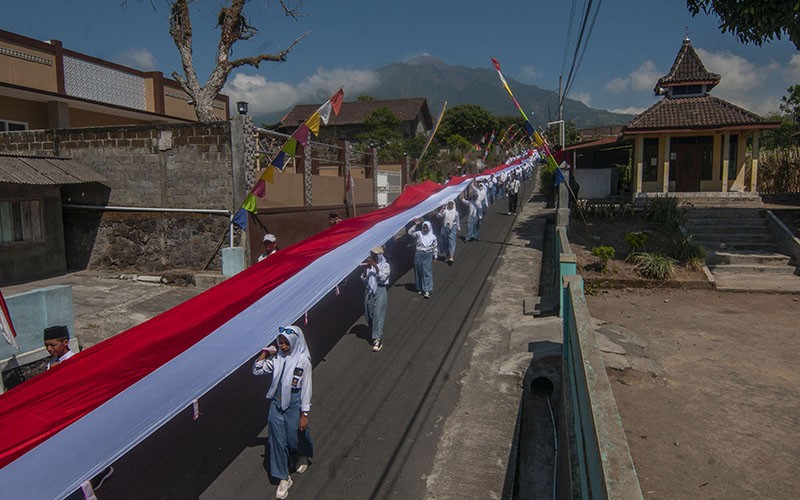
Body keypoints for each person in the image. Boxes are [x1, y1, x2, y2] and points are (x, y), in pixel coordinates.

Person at [43, 326, 115, 499]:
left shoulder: (76, 362)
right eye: (46, 345)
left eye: (53, 345)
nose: (49, 349)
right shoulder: (51, 364)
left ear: (65, 343)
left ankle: (99, 473)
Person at [253, 326, 314, 500]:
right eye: (281, 343)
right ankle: (283, 477)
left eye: (286, 343)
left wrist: (304, 415)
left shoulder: (303, 362)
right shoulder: (278, 358)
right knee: (276, 441)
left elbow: (306, 389)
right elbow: (257, 369)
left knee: (294, 437)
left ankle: (303, 454)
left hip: (294, 405)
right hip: (276, 405)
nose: (284, 347)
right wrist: (265, 353)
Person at [361, 246, 391, 352]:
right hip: (369, 291)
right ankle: (373, 333)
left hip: (380, 290)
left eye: (374, 254)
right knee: (369, 313)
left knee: (378, 314)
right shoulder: (369, 267)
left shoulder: (385, 265)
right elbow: (364, 279)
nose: (373, 256)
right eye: (372, 254)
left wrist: (376, 267)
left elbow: (383, 277)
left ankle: (377, 339)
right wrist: (366, 268)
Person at [407, 219, 437, 298]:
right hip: (418, 254)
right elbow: (410, 232)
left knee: (426, 272)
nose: (425, 228)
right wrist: (415, 225)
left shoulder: (433, 237)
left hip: (427, 255)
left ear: (429, 228)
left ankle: (427, 290)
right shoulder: (419, 234)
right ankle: (420, 287)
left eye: (426, 227)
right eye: (424, 227)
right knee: (418, 270)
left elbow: (435, 247)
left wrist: (435, 256)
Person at [435, 200, 460, 264]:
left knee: (451, 241)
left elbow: (457, 221)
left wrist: (458, 229)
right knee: (445, 242)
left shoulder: (456, 213)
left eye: (451, 204)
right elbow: (438, 216)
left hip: (453, 227)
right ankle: (447, 255)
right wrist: (442, 209)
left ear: (453, 205)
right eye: (449, 204)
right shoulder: (445, 211)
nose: (450, 205)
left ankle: (451, 257)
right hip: (445, 227)